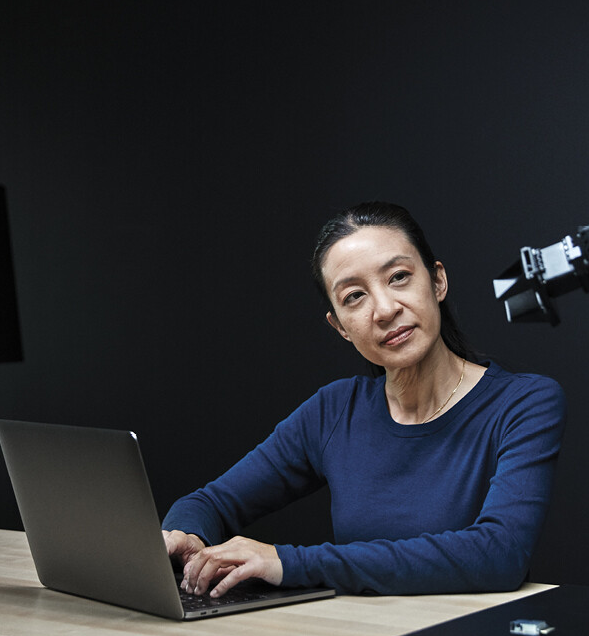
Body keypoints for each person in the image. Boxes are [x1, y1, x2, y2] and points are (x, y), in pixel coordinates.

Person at [162, 201, 566, 597]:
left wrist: (289, 562)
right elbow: (209, 503)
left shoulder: (523, 402)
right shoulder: (334, 411)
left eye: (399, 277)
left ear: (437, 280)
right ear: (339, 326)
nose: (385, 310)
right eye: (355, 296)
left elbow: (499, 553)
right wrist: (185, 537)